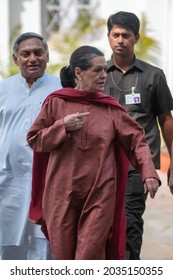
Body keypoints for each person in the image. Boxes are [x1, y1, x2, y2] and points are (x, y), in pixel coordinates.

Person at [26, 45, 161, 260]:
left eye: (104, 71)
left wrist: (149, 172)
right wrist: (62, 126)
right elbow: (34, 140)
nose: (103, 76)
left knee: (88, 258)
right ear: (78, 73)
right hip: (61, 195)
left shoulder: (110, 108)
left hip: (100, 193)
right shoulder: (56, 103)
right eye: (97, 70)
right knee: (64, 259)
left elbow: (136, 140)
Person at [104, 11, 173, 260]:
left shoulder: (153, 75)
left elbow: (166, 119)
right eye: (115, 35)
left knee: (130, 220)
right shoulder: (98, 73)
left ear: (136, 38)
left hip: (137, 164)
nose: (120, 40)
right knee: (103, 224)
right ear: (108, 36)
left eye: (126, 35)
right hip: (102, 163)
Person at [0, 32, 61, 260]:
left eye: (38, 53)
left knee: (43, 244)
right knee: (7, 242)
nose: (32, 58)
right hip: (9, 180)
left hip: (47, 179)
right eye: (25, 54)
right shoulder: (3, 89)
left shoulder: (61, 88)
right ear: (16, 59)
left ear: (47, 56)